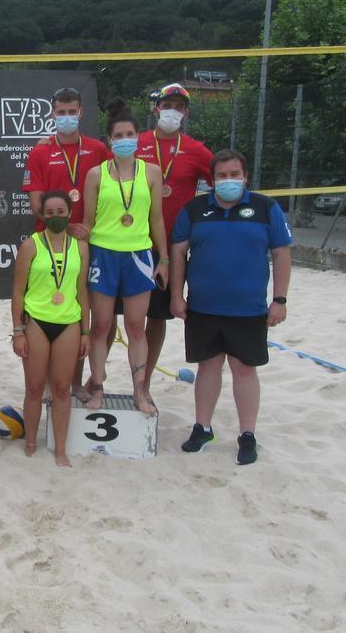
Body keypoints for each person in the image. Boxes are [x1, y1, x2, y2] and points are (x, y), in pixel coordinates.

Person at [170, 149, 291, 466]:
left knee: (243, 369)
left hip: (249, 308)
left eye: (234, 174)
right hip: (203, 306)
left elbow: (281, 253)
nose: (228, 181)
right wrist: (176, 295)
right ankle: (202, 428)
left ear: (245, 176)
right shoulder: (195, 209)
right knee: (208, 367)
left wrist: (279, 299)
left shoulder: (265, 207)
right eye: (221, 176)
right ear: (211, 180)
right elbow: (178, 253)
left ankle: (247, 434)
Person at [21, 86, 111, 400]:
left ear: (81, 112)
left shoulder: (98, 149)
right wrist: (66, 226)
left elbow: (110, 193)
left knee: (81, 311)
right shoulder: (40, 151)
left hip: (89, 241)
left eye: (72, 112)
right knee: (46, 310)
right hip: (52, 239)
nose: (67, 117)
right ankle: (47, 382)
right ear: (52, 113)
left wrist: (86, 228)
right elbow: (35, 201)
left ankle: (75, 381)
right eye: (61, 112)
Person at [82, 100, 168, 414]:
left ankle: (139, 391)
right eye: (118, 135)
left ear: (138, 136)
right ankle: (98, 387)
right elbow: (88, 222)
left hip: (139, 256)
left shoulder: (152, 172)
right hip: (103, 254)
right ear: (109, 140)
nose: (124, 139)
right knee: (101, 326)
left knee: (136, 327)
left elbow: (157, 219)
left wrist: (165, 259)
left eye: (130, 133)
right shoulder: (95, 174)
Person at [132, 82, 215, 398]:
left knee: (156, 317)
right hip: (130, 243)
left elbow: (223, 181)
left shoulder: (195, 150)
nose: (172, 111)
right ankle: (95, 380)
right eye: (167, 105)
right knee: (108, 318)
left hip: (170, 246)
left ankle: (145, 383)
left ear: (186, 113)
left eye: (179, 107)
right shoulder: (135, 142)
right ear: (155, 109)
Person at [10, 191, 91, 465]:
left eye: (61, 212)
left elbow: (82, 291)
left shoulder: (79, 247)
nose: (55, 217)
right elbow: (18, 292)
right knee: (34, 387)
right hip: (36, 322)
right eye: (50, 212)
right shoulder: (31, 246)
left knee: (61, 388)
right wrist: (18, 330)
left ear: (69, 213)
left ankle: (60, 449)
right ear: (41, 215)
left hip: (69, 322)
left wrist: (86, 331)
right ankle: (31, 443)